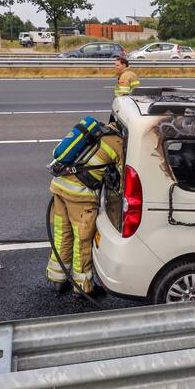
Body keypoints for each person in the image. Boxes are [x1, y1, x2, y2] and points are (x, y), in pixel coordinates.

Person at [46, 119, 124, 295]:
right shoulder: (118, 143)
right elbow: (124, 177)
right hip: (80, 196)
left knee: (62, 234)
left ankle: (58, 279)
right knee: (82, 241)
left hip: (59, 186)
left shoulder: (96, 131)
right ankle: (83, 287)